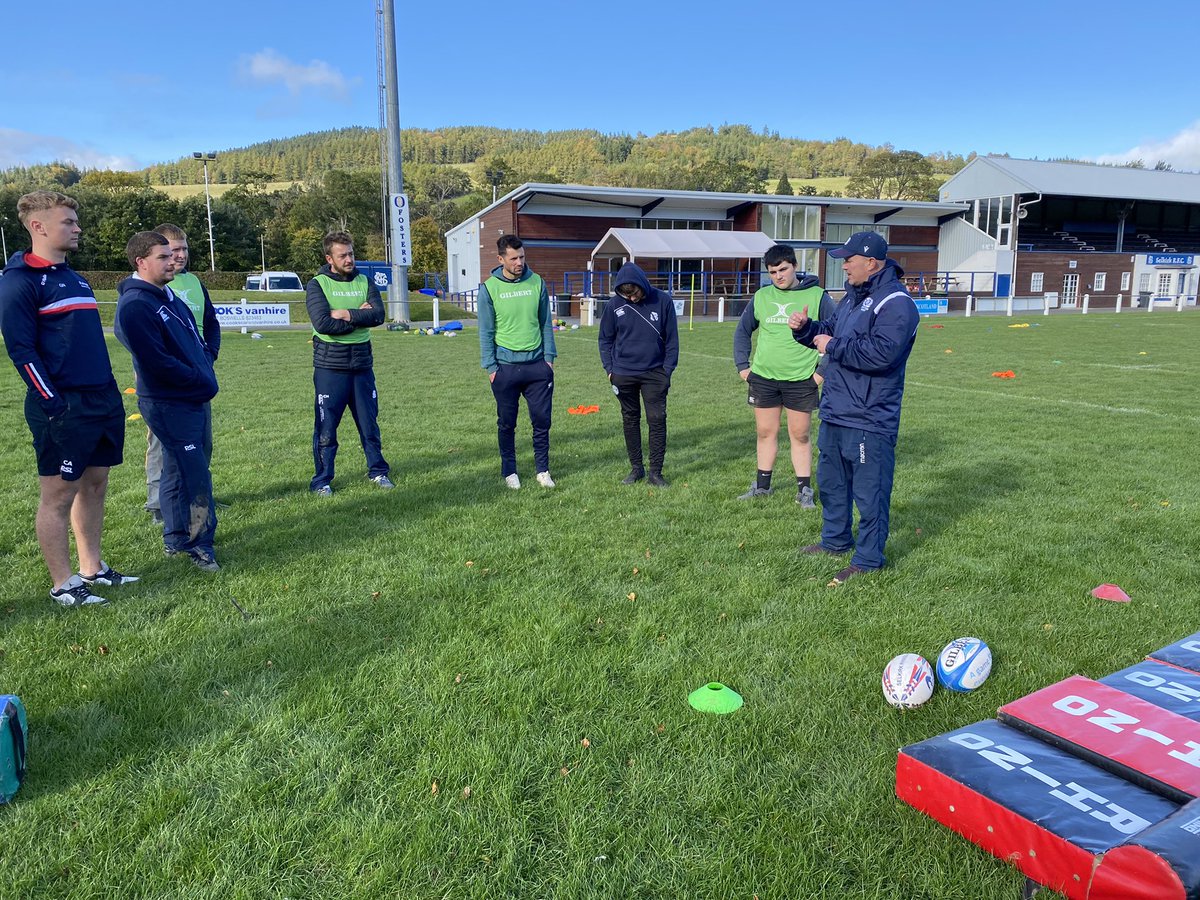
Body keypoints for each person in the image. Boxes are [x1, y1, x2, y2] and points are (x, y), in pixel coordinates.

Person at [0, 190, 138, 607]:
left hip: (102, 399)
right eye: (68, 222)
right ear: (38, 226)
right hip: (61, 406)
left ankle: (91, 568)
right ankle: (63, 583)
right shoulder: (19, 280)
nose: (77, 228)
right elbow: (21, 351)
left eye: (76, 221)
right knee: (59, 494)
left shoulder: (74, 277)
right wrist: (53, 403)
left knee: (95, 485)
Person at [789, 231, 918, 585]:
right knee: (832, 485)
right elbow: (829, 333)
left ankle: (868, 559)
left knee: (870, 492)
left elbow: (882, 354)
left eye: (849, 259)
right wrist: (806, 330)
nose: (843, 265)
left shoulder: (896, 303)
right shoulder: (849, 298)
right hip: (836, 409)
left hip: (869, 416)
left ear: (871, 263)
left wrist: (832, 345)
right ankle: (835, 540)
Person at [115, 231, 221, 572]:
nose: (173, 260)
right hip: (169, 401)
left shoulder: (168, 295)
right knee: (194, 475)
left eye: (173, 254)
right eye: (163, 256)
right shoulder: (136, 305)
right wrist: (199, 379)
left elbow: (198, 335)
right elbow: (156, 362)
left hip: (191, 397)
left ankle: (177, 539)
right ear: (140, 262)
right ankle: (199, 545)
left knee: (179, 469)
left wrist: (205, 363)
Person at [733, 244, 834, 507]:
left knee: (800, 435)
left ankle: (804, 490)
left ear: (795, 266)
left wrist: (820, 375)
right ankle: (762, 487)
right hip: (764, 378)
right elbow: (742, 331)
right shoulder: (762, 296)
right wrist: (743, 366)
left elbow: (838, 336)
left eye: (783, 269)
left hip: (802, 380)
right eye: (773, 271)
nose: (778, 275)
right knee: (765, 432)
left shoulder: (817, 296)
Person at [141, 223, 220, 525]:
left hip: (199, 374)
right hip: (168, 380)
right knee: (162, 445)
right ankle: (158, 506)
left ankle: (196, 497)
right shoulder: (154, 286)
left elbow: (211, 322)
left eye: (185, 248)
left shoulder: (195, 282)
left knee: (202, 441)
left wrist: (208, 355)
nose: (181, 254)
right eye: (174, 249)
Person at [305, 230, 392, 496]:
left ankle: (378, 472)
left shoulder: (365, 281)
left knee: (369, 424)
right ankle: (322, 480)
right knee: (326, 428)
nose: (349, 259)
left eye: (351, 253)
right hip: (330, 368)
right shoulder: (317, 284)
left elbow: (378, 316)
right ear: (329, 258)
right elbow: (323, 323)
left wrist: (344, 314)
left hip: (362, 366)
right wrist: (358, 316)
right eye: (342, 255)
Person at [478, 235, 557, 489]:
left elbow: (546, 323)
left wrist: (549, 359)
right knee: (507, 423)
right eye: (513, 258)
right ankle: (510, 471)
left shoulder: (537, 283)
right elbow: (486, 331)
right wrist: (491, 368)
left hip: (537, 367)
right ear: (500, 259)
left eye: (522, 256)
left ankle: (542, 470)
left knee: (541, 421)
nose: (519, 262)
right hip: (505, 368)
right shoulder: (489, 288)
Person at [598, 263, 678, 486]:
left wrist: (667, 371)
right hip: (623, 374)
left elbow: (672, 340)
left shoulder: (663, 301)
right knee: (630, 419)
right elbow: (605, 339)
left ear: (642, 284)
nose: (631, 298)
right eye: (626, 295)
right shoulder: (614, 305)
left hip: (655, 373)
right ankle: (636, 469)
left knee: (657, 419)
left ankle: (655, 472)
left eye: (634, 293)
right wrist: (609, 369)